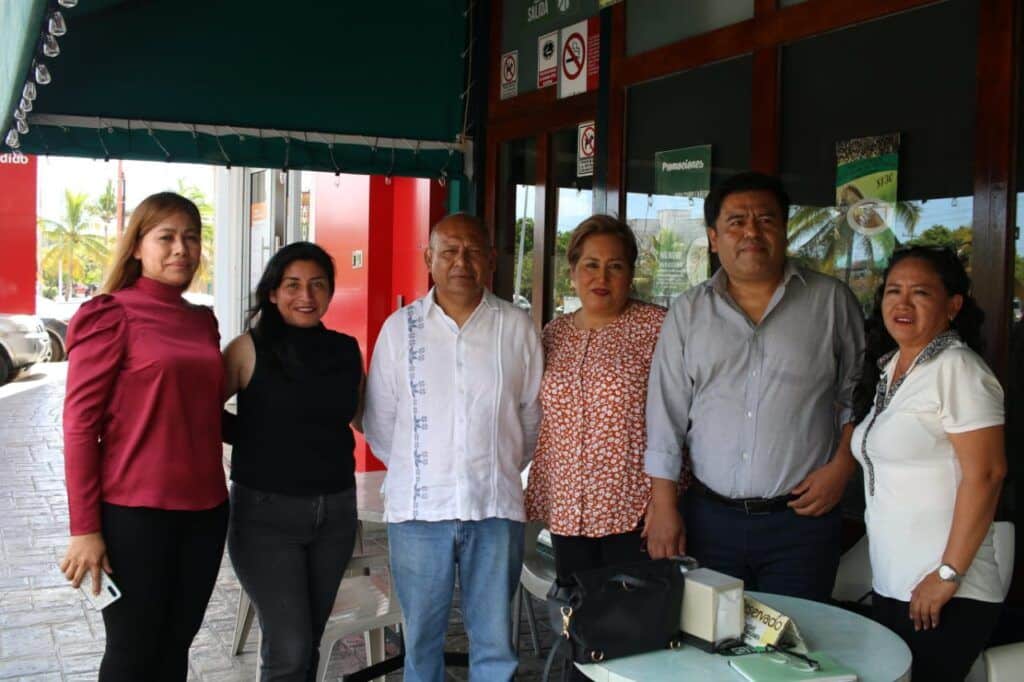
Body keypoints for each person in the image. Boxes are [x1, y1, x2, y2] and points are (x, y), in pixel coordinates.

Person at [643, 172, 865, 602]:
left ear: (784, 230)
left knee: (795, 647)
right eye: (736, 222)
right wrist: (664, 505)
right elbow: (666, 413)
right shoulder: (687, 313)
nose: (751, 232)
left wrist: (843, 466)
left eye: (765, 220)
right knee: (707, 650)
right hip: (709, 520)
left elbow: (858, 393)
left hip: (801, 521)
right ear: (713, 237)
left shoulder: (831, 302)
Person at [363, 213, 542, 682]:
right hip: (419, 512)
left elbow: (531, 417)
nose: (461, 261)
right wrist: (425, 467)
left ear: (490, 259)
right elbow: (381, 422)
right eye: (448, 251)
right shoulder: (399, 330)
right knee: (421, 642)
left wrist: (496, 462)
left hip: (495, 508)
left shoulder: (517, 327)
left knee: (495, 642)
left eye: (472, 251)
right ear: (429, 258)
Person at [59, 192, 227, 681]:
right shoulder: (110, 314)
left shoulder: (202, 321)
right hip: (135, 516)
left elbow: (202, 412)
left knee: (176, 648)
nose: (181, 249)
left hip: (206, 514)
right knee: (134, 654)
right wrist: (85, 529)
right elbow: (79, 425)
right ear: (137, 246)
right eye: (167, 237)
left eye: (191, 238)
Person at [852, 246, 1006, 682]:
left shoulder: (958, 369)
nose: (902, 302)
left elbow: (988, 474)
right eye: (893, 291)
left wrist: (947, 574)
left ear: (953, 306)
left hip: (948, 591)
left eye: (920, 292)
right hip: (895, 585)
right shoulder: (893, 369)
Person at [223, 242, 363, 681]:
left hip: (336, 512)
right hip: (266, 516)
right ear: (271, 292)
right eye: (293, 285)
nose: (306, 295)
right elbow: (200, 414)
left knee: (310, 642)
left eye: (318, 285)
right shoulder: (247, 349)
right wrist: (254, 438)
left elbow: (362, 418)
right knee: (289, 647)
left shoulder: (345, 349)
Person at [526, 215, 665, 583]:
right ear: (572, 271)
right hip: (569, 511)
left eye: (614, 266)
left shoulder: (657, 328)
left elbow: (681, 417)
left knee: (633, 625)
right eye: (591, 265)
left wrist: (666, 501)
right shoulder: (554, 334)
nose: (601, 278)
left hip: (633, 511)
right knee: (579, 620)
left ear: (630, 273)